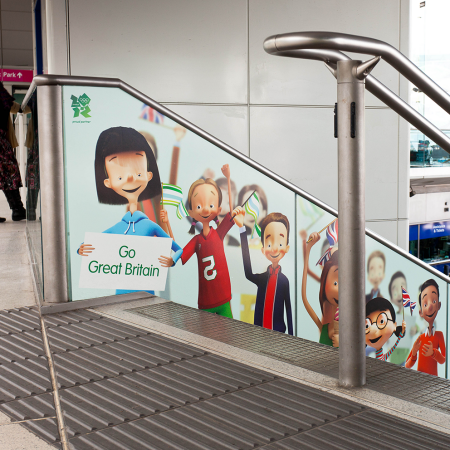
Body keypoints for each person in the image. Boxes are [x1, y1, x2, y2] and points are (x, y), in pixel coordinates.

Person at [78, 127, 183, 294]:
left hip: (158, 250)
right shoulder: (130, 204)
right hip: (136, 253)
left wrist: (177, 142)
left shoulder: (158, 192)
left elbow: (172, 178)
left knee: (162, 292)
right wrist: (84, 248)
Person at [171, 166, 241, 318]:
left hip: (223, 298)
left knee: (228, 334)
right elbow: (180, 253)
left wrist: (228, 178)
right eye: (198, 206)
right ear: (191, 213)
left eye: (210, 205)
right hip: (205, 302)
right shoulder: (196, 241)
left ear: (218, 209)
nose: (205, 210)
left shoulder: (219, 233)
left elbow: (232, 212)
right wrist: (167, 224)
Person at [235, 211, 293, 335]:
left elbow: (288, 309)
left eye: (280, 243)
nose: (275, 248)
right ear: (263, 249)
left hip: (278, 335)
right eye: (269, 243)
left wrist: (292, 337)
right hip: (259, 334)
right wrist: (241, 229)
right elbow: (248, 273)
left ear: (287, 248)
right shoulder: (262, 279)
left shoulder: (284, 281)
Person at [302, 232, 339, 347]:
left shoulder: (350, 327)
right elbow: (304, 298)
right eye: (336, 283)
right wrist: (307, 247)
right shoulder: (323, 327)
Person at [0, 82, 30, 222]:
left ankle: (18, 209)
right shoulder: (2, 97)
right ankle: (17, 209)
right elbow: (18, 108)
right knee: (9, 174)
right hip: (1, 141)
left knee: (7, 174)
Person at [405, 279, 446, 376]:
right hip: (420, 380)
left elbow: (443, 359)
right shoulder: (420, 338)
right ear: (420, 312)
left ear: (439, 305)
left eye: (434, 301)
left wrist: (433, 353)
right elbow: (407, 365)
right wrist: (414, 353)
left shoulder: (439, 335)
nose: (430, 307)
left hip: (433, 382)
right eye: (425, 304)